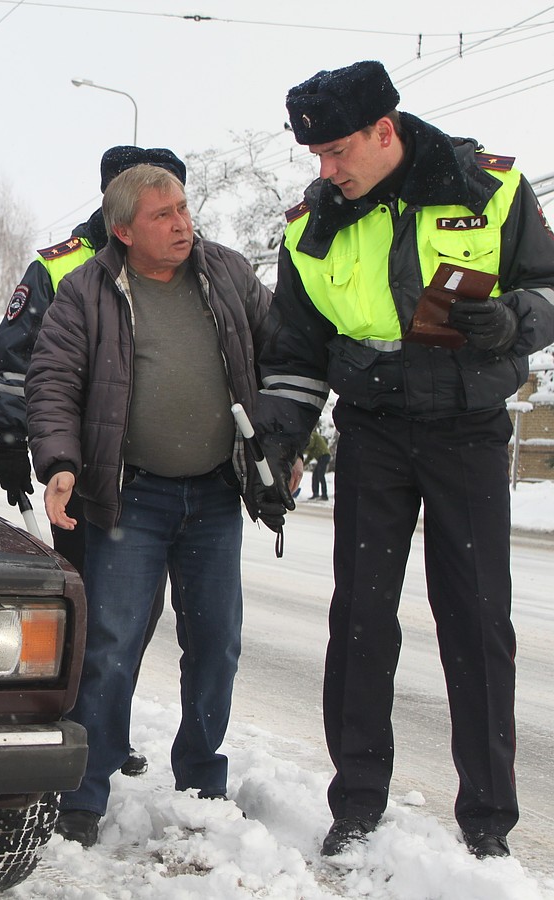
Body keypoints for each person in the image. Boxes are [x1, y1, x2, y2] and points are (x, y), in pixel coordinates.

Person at [257, 59, 554, 861]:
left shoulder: (490, 188)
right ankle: (356, 802)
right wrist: (281, 440)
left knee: (477, 618)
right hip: (375, 430)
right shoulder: (310, 228)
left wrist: (515, 320)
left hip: (467, 427)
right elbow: (294, 350)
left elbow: (550, 285)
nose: (326, 171)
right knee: (359, 619)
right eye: (316, 157)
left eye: (337, 152)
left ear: (384, 132)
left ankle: (488, 823)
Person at [25, 163, 283, 847]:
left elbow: (281, 348)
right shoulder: (86, 290)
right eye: (163, 215)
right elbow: (52, 381)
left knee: (216, 644)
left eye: (183, 209)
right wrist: (58, 463)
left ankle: (202, 777)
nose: (181, 224)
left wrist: (276, 447)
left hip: (216, 493)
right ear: (124, 230)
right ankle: (84, 790)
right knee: (108, 645)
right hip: (130, 496)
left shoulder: (226, 274)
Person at [0, 145, 188, 778]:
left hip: (156, 476)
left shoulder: (182, 267)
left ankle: (102, 729)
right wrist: (11, 439)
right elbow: (17, 357)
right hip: (77, 471)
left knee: (135, 614)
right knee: (86, 609)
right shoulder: (62, 268)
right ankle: (67, 728)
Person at [304, 429, 331, 500]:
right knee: (315, 475)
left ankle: (324, 495)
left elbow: (310, 445)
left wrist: (301, 449)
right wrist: (303, 464)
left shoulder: (312, 436)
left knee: (320, 475)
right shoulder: (312, 447)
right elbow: (310, 457)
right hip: (321, 457)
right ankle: (315, 494)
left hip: (324, 456)